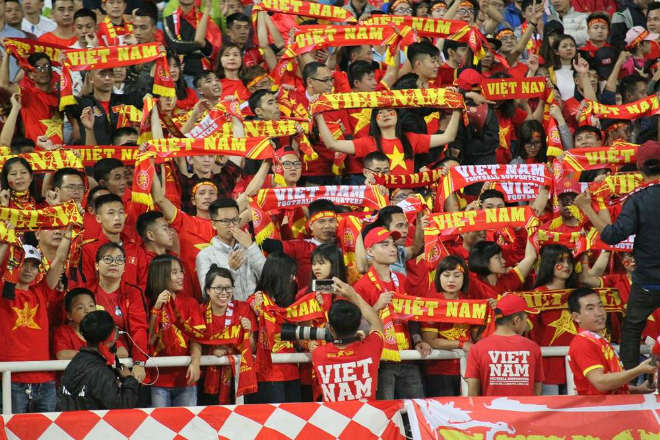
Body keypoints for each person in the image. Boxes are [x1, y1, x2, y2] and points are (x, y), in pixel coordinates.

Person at [574, 140, 660, 371]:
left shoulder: (638, 199)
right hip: (647, 281)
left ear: (639, 167)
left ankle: (629, 382)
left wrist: (587, 208)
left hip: (647, 283)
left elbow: (612, 236)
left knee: (631, 328)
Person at [567, 288, 656, 395]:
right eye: (590, 308)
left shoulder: (596, 340)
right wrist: (638, 370)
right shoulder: (583, 343)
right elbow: (600, 383)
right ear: (576, 317)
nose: (599, 313)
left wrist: (637, 389)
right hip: (601, 405)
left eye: (600, 306)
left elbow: (610, 383)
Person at [312, 277, 385, 402]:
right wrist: (353, 294)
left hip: (334, 415)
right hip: (366, 414)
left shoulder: (318, 354)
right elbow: (377, 324)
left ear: (331, 329)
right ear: (358, 325)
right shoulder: (371, 347)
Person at [146, 255, 202, 407]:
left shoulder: (191, 303)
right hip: (157, 380)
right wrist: (156, 309)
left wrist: (196, 363)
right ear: (161, 275)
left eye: (181, 271)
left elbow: (196, 339)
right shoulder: (148, 302)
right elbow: (149, 340)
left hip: (186, 379)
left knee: (187, 421)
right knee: (160, 422)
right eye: (174, 272)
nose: (181, 276)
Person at [57, 310, 142, 410]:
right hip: (91, 420)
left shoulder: (76, 362)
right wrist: (129, 380)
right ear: (111, 337)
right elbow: (122, 406)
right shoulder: (100, 372)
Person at [466, 295, 544, 396]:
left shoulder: (477, 348)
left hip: (490, 406)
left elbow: (473, 393)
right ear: (516, 320)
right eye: (526, 318)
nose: (526, 323)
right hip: (525, 406)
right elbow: (537, 391)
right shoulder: (533, 348)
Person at [195, 198, 266, 301]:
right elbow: (207, 294)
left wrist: (251, 247)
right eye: (225, 221)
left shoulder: (249, 247)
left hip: (255, 309)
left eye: (235, 220)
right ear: (213, 224)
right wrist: (230, 270)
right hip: (229, 310)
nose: (232, 225)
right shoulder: (205, 256)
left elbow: (269, 279)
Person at [422, 256, 473, 397]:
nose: (451, 280)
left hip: (468, 369)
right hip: (439, 372)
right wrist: (461, 344)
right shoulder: (432, 304)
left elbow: (477, 336)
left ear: (464, 278)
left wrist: (491, 309)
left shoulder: (470, 303)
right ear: (438, 277)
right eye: (446, 275)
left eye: (457, 275)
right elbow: (430, 340)